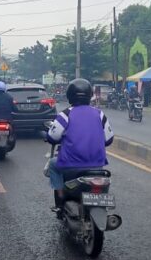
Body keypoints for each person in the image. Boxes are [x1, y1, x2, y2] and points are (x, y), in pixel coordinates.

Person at [46, 78, 114, 209]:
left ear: (70, 95)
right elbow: (109, 139)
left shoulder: (65, 115)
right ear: (90, 95)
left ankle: (60, 197)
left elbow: (52, 137)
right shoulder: (99, 114)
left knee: (53, 165)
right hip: (97, 167)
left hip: (71, 166)